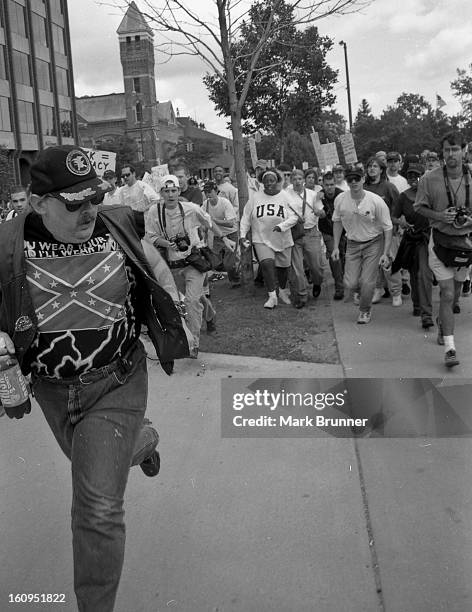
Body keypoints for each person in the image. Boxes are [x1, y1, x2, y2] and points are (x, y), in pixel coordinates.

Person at [0, 145, 189, 611]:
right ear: (37, 201)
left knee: (97, 507)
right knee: (95, 467)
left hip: (117, 380)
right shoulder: (7, 245)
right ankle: (139, 443)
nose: (90, 210)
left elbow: (155, 266)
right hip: (49, 390)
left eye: (95, 197)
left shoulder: (117, 226)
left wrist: (175, 309)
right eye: (74, 203)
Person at [146, 175, 235, 357]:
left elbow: (209, 223)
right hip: (171, 266)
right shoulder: (154, 212)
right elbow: (151, 236)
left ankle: (193, 343)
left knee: (191, 301)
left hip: (194, 261)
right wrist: (165, 243)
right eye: (166, 191)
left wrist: (225, 238)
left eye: (174, 190)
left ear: (179, 191)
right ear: (161, 192)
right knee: (189, 300)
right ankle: (209, 313)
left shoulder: (191, 209)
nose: (170, 195)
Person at [414, 131, 472, 367]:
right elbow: (419, 207)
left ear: (464, 150)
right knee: (447, 293)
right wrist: (440, 216)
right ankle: (450, 348)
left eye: (455, 149)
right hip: (439, 242)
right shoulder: (429, 178)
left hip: (465, 244)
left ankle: (443, 325)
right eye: (447, 150)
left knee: (456, 293)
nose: (450, 154)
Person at [332, 165, 393, 324]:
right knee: (350, 283)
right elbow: (337, 222)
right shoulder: (340, 200)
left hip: (373, 243)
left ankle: (365, 311)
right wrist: (335, 247)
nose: (353, 182)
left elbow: (388, 227)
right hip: (352, 244)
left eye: (357, 179)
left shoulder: (375, 200)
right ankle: (361, 292)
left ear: (363, 179)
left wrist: (385, 252)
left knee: (367, 281)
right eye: (350, 179)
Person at [240, 169, 297, 308]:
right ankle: (272, 296)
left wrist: (282, 226)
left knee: (283, 268)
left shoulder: (285, 196)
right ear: (262, 182)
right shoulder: (255, 197)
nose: (269, 184)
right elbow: (246, 217)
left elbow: (295, 216)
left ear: (277, 181)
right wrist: (242, 235)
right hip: (261, 237)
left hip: (282, 238)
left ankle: (282, 290)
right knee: (266, 264)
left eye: (272, 181)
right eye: (266, 181)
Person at [391, 163, 433, 329]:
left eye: (417, 175)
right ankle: (417, 304)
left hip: (427, 238)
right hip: (410, 239)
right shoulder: (403, 196)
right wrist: (401, 222)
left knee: (424, 274)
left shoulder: (430, 194)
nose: (413, 179)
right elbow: (394, 217)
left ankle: (426, 314)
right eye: (410, 176)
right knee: (415, 273)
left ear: (423, 177)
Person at [363, 156, 402, 306]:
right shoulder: (364, 187)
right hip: (370, 232)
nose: (372, 169)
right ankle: (378, 289)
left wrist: (397, 225)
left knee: (389, 262)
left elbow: (398, 207)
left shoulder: (389, 187)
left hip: (388, 231)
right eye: (369, 166)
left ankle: (396, 292)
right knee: (374, 264)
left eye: (375, 166)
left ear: (381, 170)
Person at [285, 168, 325, 307]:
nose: (297, 181)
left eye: (300, 179)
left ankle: (317, 282)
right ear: (291, 180)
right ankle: (302, 296)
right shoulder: (285, 195)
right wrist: (293, 219)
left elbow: (322, 212)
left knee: (317, 266)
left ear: (303, 180)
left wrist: (319, 212)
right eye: (294, 179)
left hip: (311, 232)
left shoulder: (313, 194)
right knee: (297, 268)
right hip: (294, 233)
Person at [203, 180, 240, 288]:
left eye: (209, 191)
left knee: (228, 264)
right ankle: (236, 264)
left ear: (216, 191)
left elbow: (231, 223)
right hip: (216, 236)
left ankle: (236, 281)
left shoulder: (225, 203)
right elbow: (202, 220)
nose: (207, 194)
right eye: (205, 192)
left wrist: (213, 220)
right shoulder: (205, 204)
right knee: (214, 264)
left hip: (230, 234)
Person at [317, 172, 346, 300]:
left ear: (335, 184)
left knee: (343, 255)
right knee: (335, 255)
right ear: (322, 184)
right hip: (327, 230)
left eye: (332, 184)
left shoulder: (342, 195)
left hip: (343, 230)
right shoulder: (319, 196)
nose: (329, 187)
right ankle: (339, 287)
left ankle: (341, 277)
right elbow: (315, 208)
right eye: (327, 185)